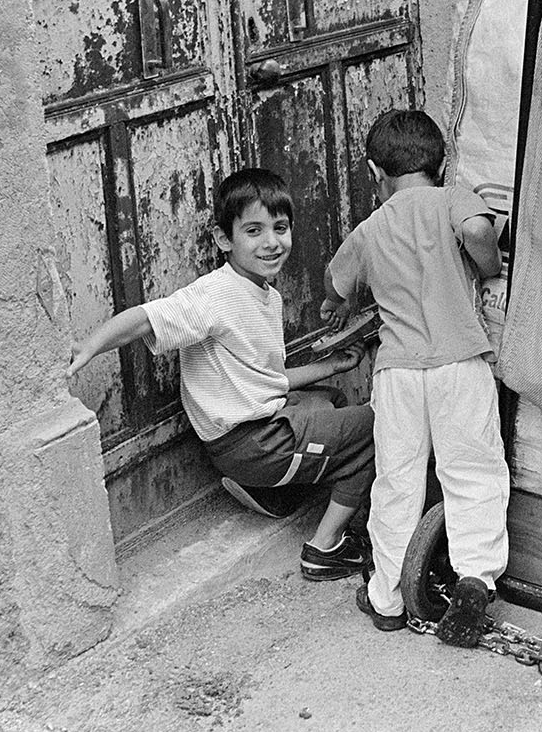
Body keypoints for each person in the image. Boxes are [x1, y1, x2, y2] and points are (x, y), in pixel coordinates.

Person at [68, 168, 377, 582]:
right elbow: (145, 318)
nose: (271, 242)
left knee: (333, 399)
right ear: (222, 239)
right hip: (257, 443)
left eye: (279, 228)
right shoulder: (214, 295)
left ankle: (274, 493)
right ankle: (325, 548)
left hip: (245, 442)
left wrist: (332, 366)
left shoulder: (264, 292)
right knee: (379, 427)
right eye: (253, 230)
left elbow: (263, 379)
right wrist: (90, 345)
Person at [322, 109, 510, 647]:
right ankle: (474, 581)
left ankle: (386, 598)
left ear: (374, 171)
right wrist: (487, 264)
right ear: (442, 162)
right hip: (458, 364)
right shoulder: (453, 196)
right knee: (472, 472)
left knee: (397, 481)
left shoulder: (368, 228)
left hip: (398, 373)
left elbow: (336, 284)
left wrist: (338, 306)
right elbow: (477, 230)